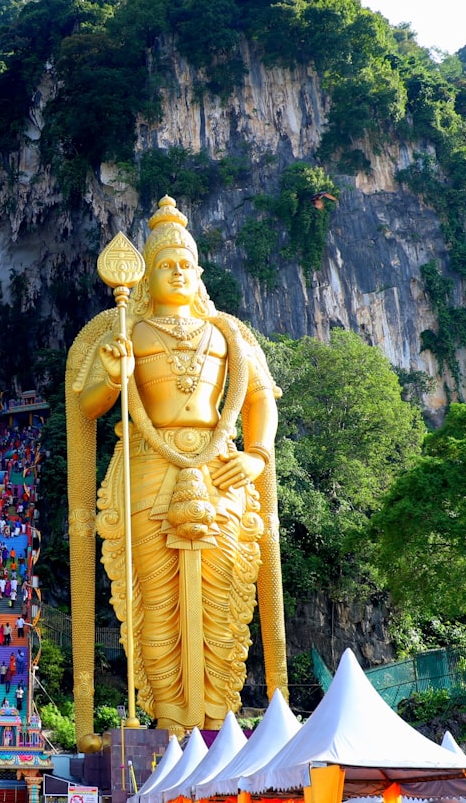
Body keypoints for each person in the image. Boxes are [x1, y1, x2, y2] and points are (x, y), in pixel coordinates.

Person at [67, 196, 286, 739]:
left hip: (220, 470)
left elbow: (261, 400)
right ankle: (168, 722)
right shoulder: (127, 331)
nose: (179, 271)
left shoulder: (229, 334)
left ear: (200, 271)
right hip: (148, 464)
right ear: (147, 274)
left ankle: (218, 719)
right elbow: (89, 404)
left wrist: (256, 454)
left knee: (224, 590)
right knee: (157, 601)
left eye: (187, 263)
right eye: (167, 263)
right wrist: (114, 373)